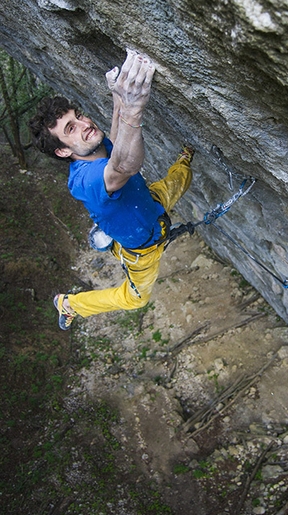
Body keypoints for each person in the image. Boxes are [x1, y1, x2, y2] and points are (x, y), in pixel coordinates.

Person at [30, 49, 194, 330]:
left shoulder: (93, 147)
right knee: (135, 299)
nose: (85, 124)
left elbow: (116, 144)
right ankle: (70, 304)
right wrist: (133, 108)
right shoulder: (83, 181)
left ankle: (185, 156)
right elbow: (123, 166)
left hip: (151, 203)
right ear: (61, 151)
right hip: (142, 250)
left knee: (181, 178)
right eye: (71, 128)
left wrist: (118, 97)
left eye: (79, 116)